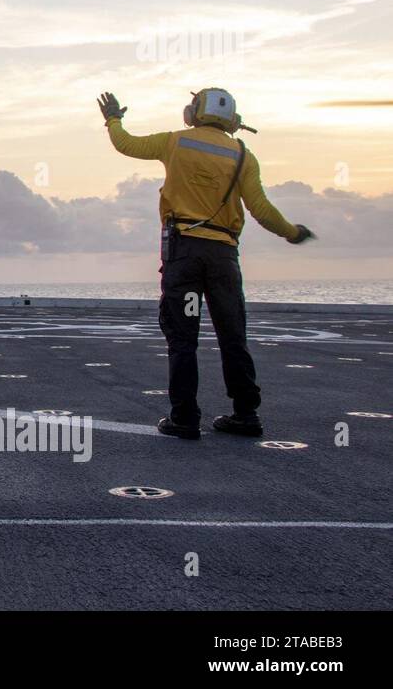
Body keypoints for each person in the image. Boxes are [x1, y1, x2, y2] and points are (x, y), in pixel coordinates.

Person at [98, 89, 315, 440]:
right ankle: (246, 414)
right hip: (223, 257)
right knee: (232, 334)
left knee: (183, 337)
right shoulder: (243, 155)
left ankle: (184, 417)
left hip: (184, 254)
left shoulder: (175, 143)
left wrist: (113, 119)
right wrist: (292, 232)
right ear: (232, 120)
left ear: (194, 112)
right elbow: (261, 209)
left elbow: (127, 145)